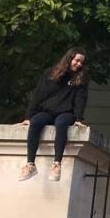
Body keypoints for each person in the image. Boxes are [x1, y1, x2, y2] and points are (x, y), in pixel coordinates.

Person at [19, 47, 90, 182]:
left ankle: (57, 164)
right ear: (70, 58)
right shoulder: (50, 73)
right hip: (47, 111)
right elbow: (38, 95)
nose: (79, 64)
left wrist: (79, 118)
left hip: (66, 113)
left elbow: (81, 98)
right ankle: (30, 164)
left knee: (61, 123)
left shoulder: (81, 79)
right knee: (36, 122)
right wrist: (28, 116)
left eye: (82, 62)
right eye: (77, 60)